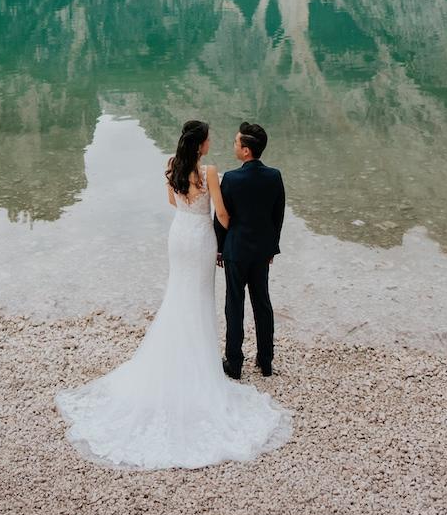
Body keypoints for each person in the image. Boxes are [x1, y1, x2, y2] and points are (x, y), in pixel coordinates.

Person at [55, 119, 291, 469]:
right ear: (201, 144)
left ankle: (212, 358)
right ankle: (228, 361)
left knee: (180, 295)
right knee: (205, 298)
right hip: (201, 239)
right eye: (210, 138)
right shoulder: (212, 172)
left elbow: (172, 200)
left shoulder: (170, 165)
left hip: (179, 235)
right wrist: (236, 234)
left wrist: (225, 236)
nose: (214, 142)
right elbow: (222, 214)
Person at [214, 122, 285, 379]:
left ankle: (234, 363)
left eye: (236, 143)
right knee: (262, 304)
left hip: (236, 251)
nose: (234, 145)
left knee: (234, 305)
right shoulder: (274, 176)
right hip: (261, 253)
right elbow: (278, 216)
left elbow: (222, 217)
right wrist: (271, 250)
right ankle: (265, 361)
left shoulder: (232, 178)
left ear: (246, 151)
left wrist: (219, 249)